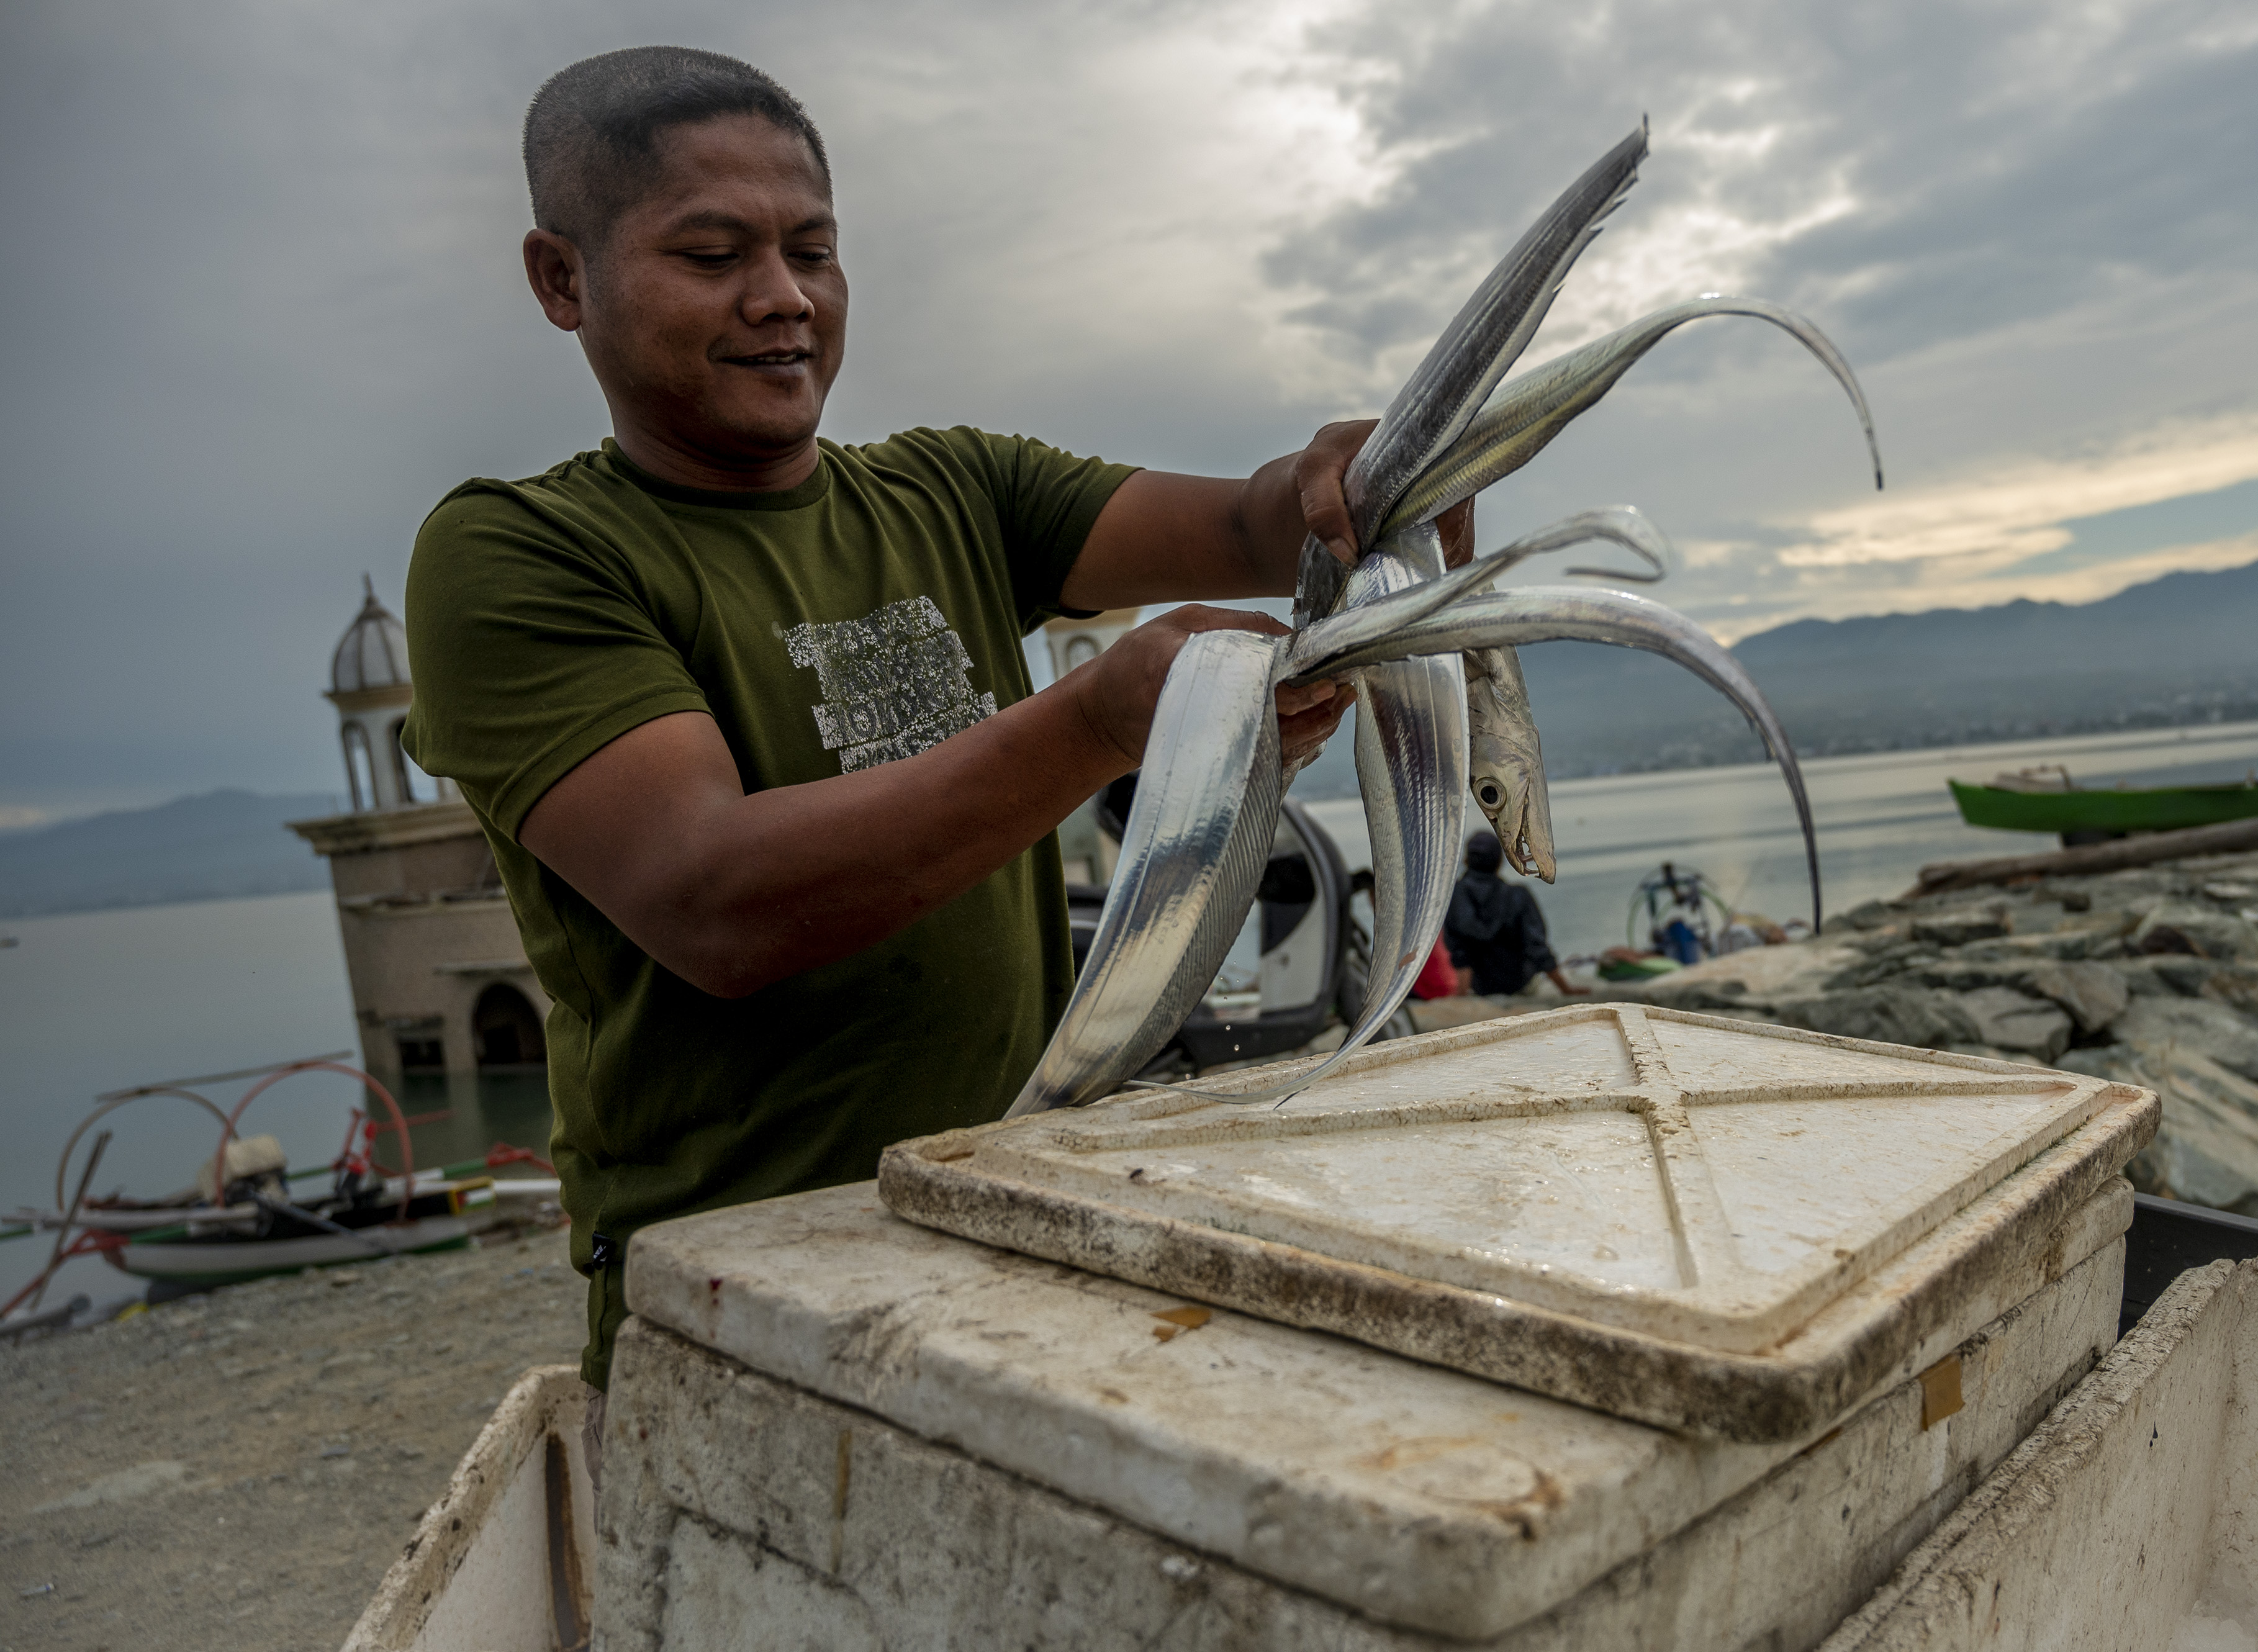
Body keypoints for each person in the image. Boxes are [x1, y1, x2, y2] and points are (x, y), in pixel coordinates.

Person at [400, 46, 1474, 1398]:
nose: (782, 298)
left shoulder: (951, 490)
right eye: (712, 252)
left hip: (1003, 1222)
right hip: (733, 1293)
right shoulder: (518, 553)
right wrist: (1099, 717)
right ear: (563, 280)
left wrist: (1352, 478)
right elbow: (712, 897)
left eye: (811, 249)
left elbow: (1253, 524)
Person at [1443, 831, 1589, 998]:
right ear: (1500, 861)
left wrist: (1462, 996)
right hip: (1521, 984)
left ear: (1466, 860)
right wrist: (1565, 989)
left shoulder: (1454, 895)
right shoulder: (1518, 895)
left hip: (1480, 987)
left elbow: (1461, 951)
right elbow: (1537, 947)